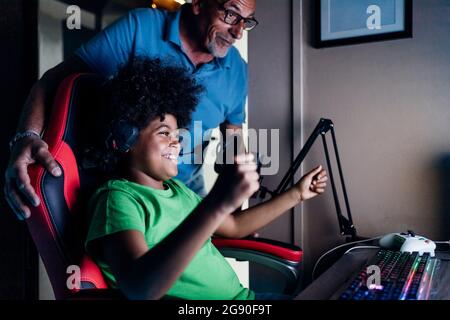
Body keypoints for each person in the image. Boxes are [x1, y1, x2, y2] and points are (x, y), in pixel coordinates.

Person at [85, 57, 328, 300]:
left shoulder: (177, 189)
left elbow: (233, 226)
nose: (176, 141)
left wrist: (297, 194)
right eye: (163, 133)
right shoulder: (117, 200)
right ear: (124, 140)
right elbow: (140, 289)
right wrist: (216, 203)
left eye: (178, 134)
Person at [5, 0, 258, 220]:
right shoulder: (139, 27)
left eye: (246, 22)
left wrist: (236, 196)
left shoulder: (239, 72)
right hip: (127, 188)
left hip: (186, 193)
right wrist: (25, 137)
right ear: (199, 4)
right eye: (231, 14)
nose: (238, 32)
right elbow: (52, 81)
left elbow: (233, 138)